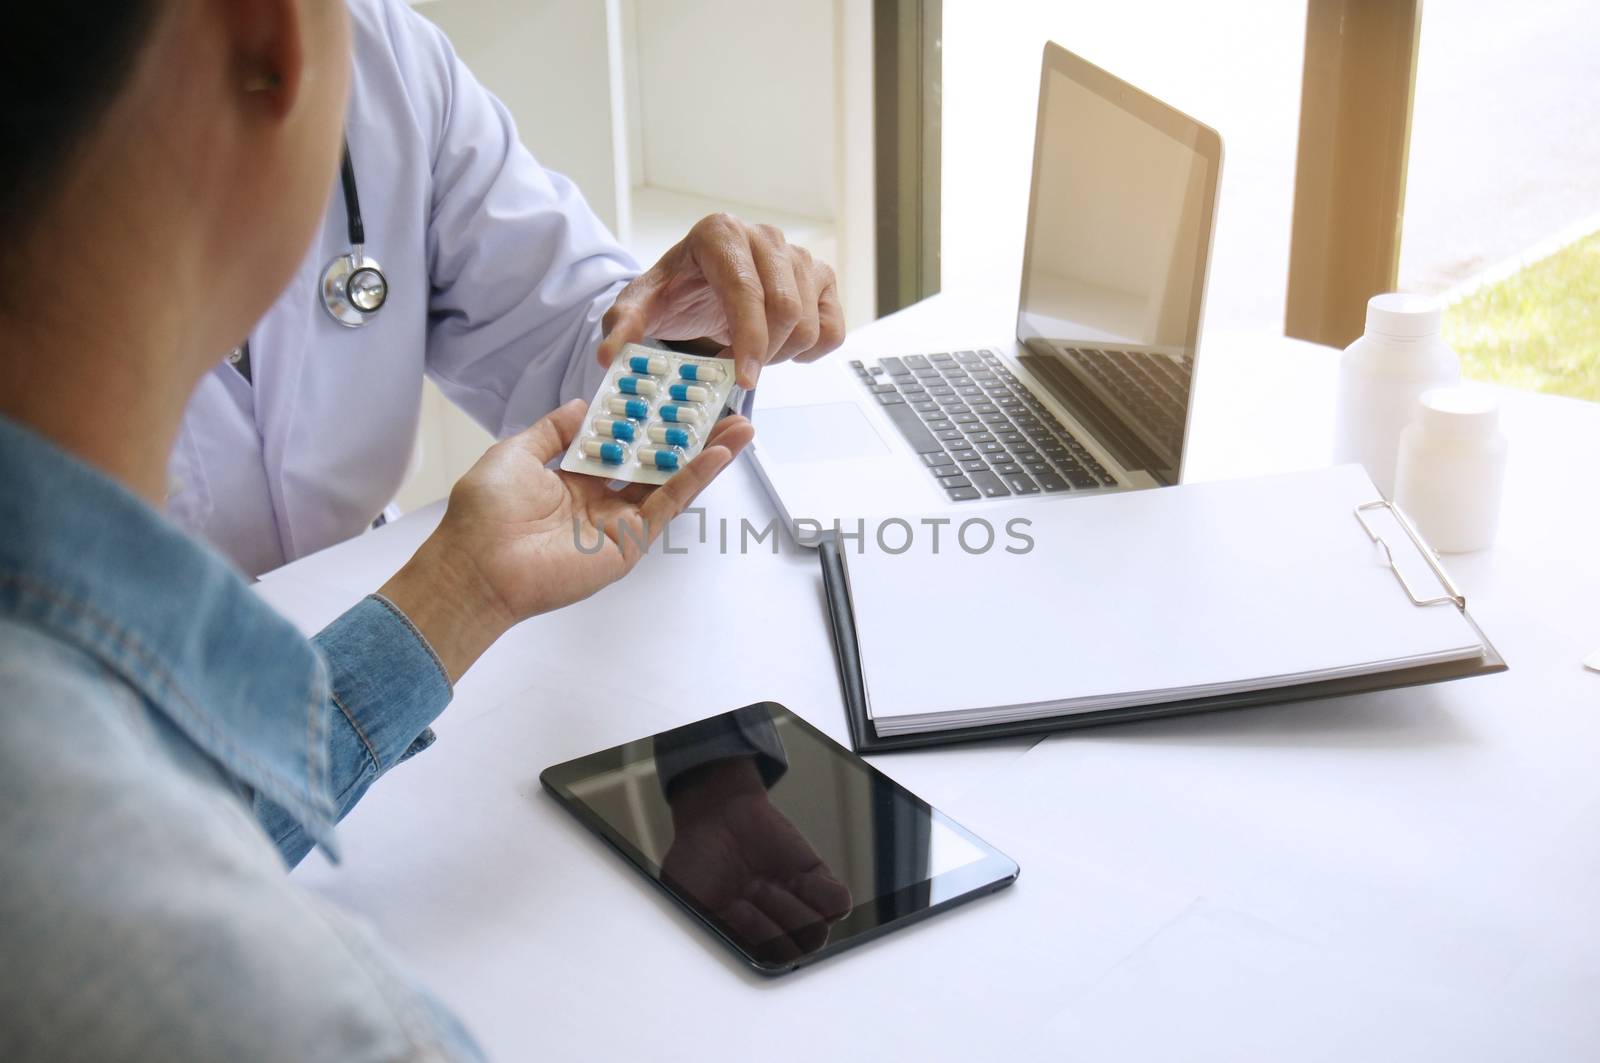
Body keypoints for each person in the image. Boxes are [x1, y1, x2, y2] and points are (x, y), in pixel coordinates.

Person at [0, 2, 766, 1057]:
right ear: (273, 45)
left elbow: (575, 353)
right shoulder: (301, 1017)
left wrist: (461, 589)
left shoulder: (391, 65)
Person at [173, 0, 844, 577]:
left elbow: (560, 337)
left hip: (365, 597)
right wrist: (452, 598)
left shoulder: (388, 55)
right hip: (122, 691)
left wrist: (687, 335)